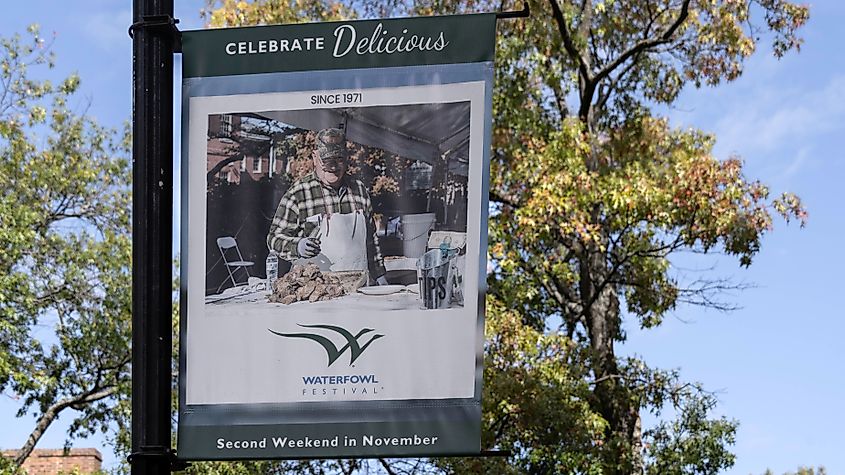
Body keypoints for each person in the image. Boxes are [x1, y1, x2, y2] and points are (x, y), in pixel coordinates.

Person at [267, 128, 387, 284]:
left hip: (359, 287)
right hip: (316, 291)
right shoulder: (298, 193)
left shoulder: (359, 190)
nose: (333, 166)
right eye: (327, 160)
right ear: (315, 158)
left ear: (347, 158)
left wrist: (379, 274)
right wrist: (297, 246)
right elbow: (274, 238)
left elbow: (371, 239)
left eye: (339, 159)